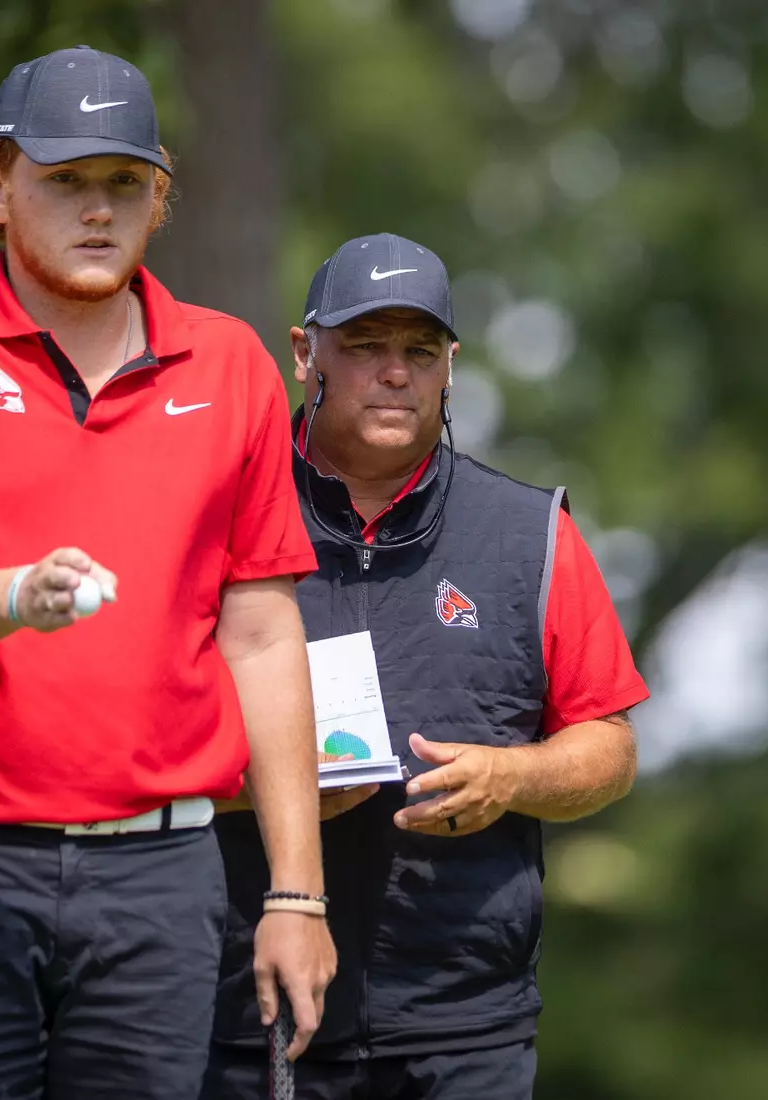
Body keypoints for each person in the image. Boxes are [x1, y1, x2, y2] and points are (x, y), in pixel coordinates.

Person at [0, 46, 335, 1100]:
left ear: (156, 197)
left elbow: (265, 637)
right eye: (65, 182)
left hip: (162, 878)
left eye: (125, 184)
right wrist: (15, 593)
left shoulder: (231, 365)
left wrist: (298, 894)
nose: (99, 211)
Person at [205, 233, 648, 1100]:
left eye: (418, 350)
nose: (394, 373)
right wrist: (272, 781)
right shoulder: (218, 517)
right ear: (305, 355)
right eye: (364, 347)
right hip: (243, 1011)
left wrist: (512, 776)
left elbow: (610, 746)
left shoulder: (529, 532)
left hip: (464, 1025)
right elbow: (135, 741)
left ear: (451, 366)